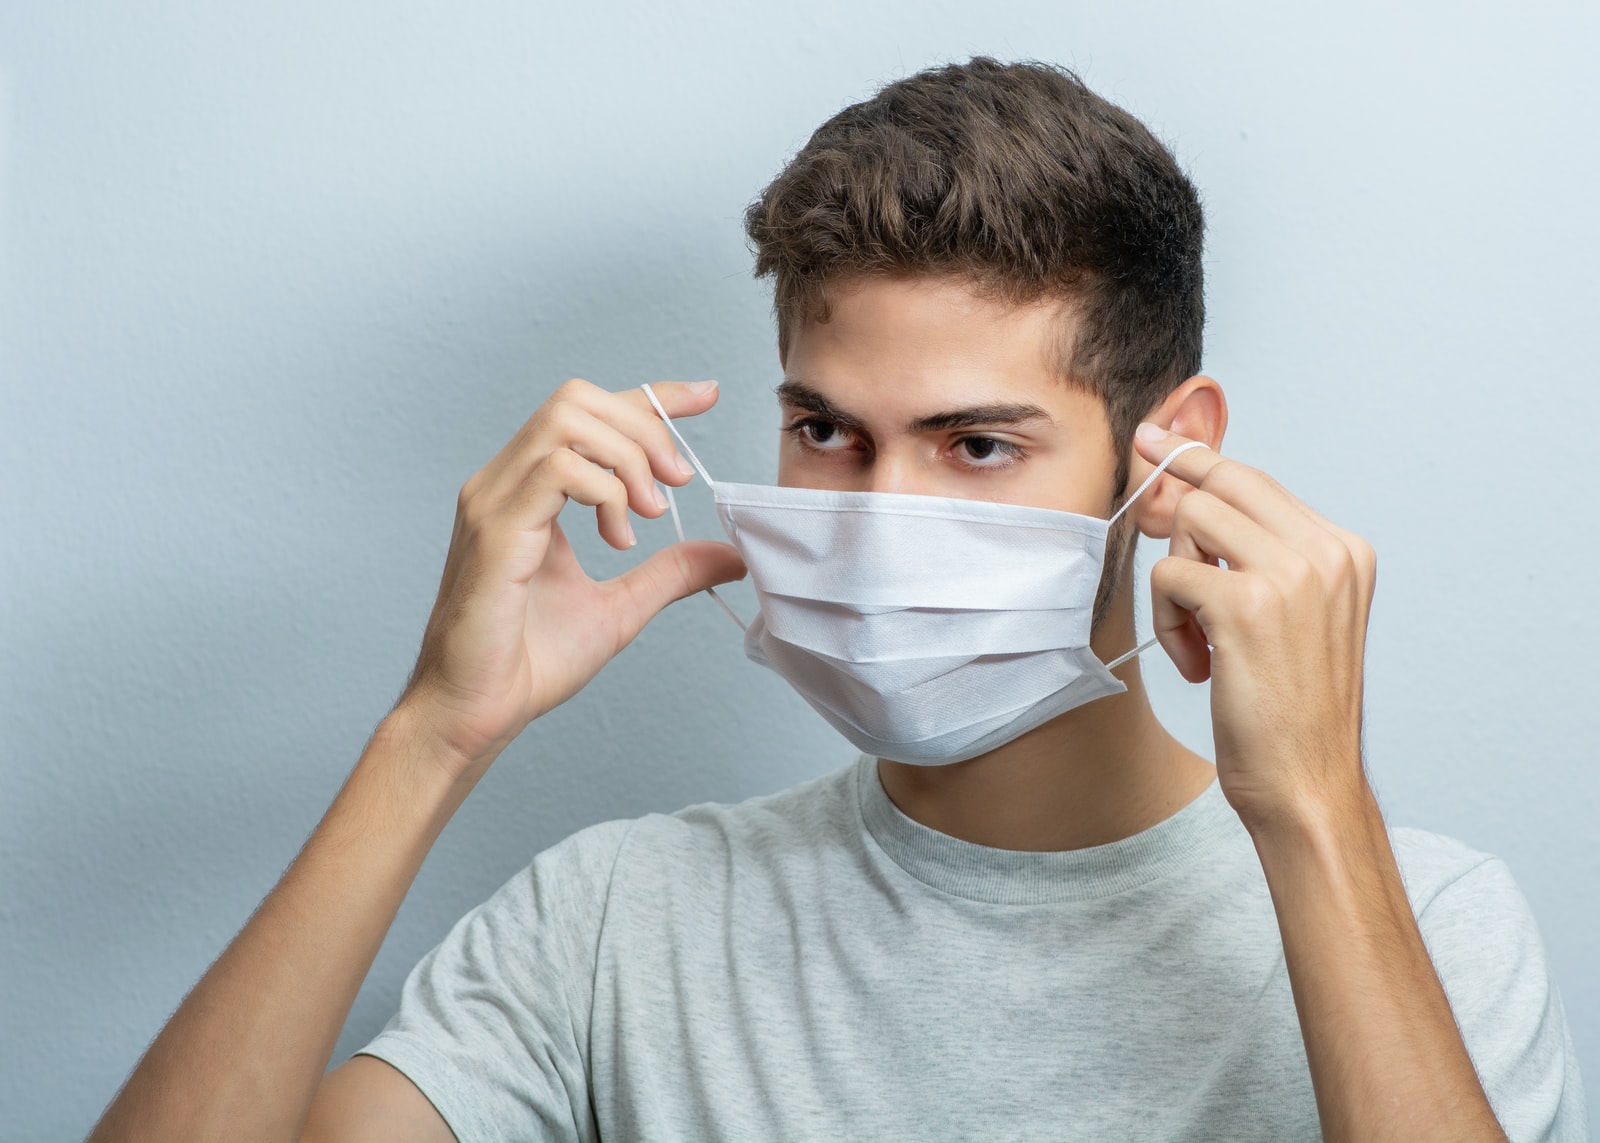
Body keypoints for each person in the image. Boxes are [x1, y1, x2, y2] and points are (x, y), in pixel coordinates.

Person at [89, 57, 1585, 1143]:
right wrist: (434, 733)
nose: (879, 520)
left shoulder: (1431, 928)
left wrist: (1316, 812)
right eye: (826, 432)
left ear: (1169, 452)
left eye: (978, 445)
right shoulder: (616, 924)